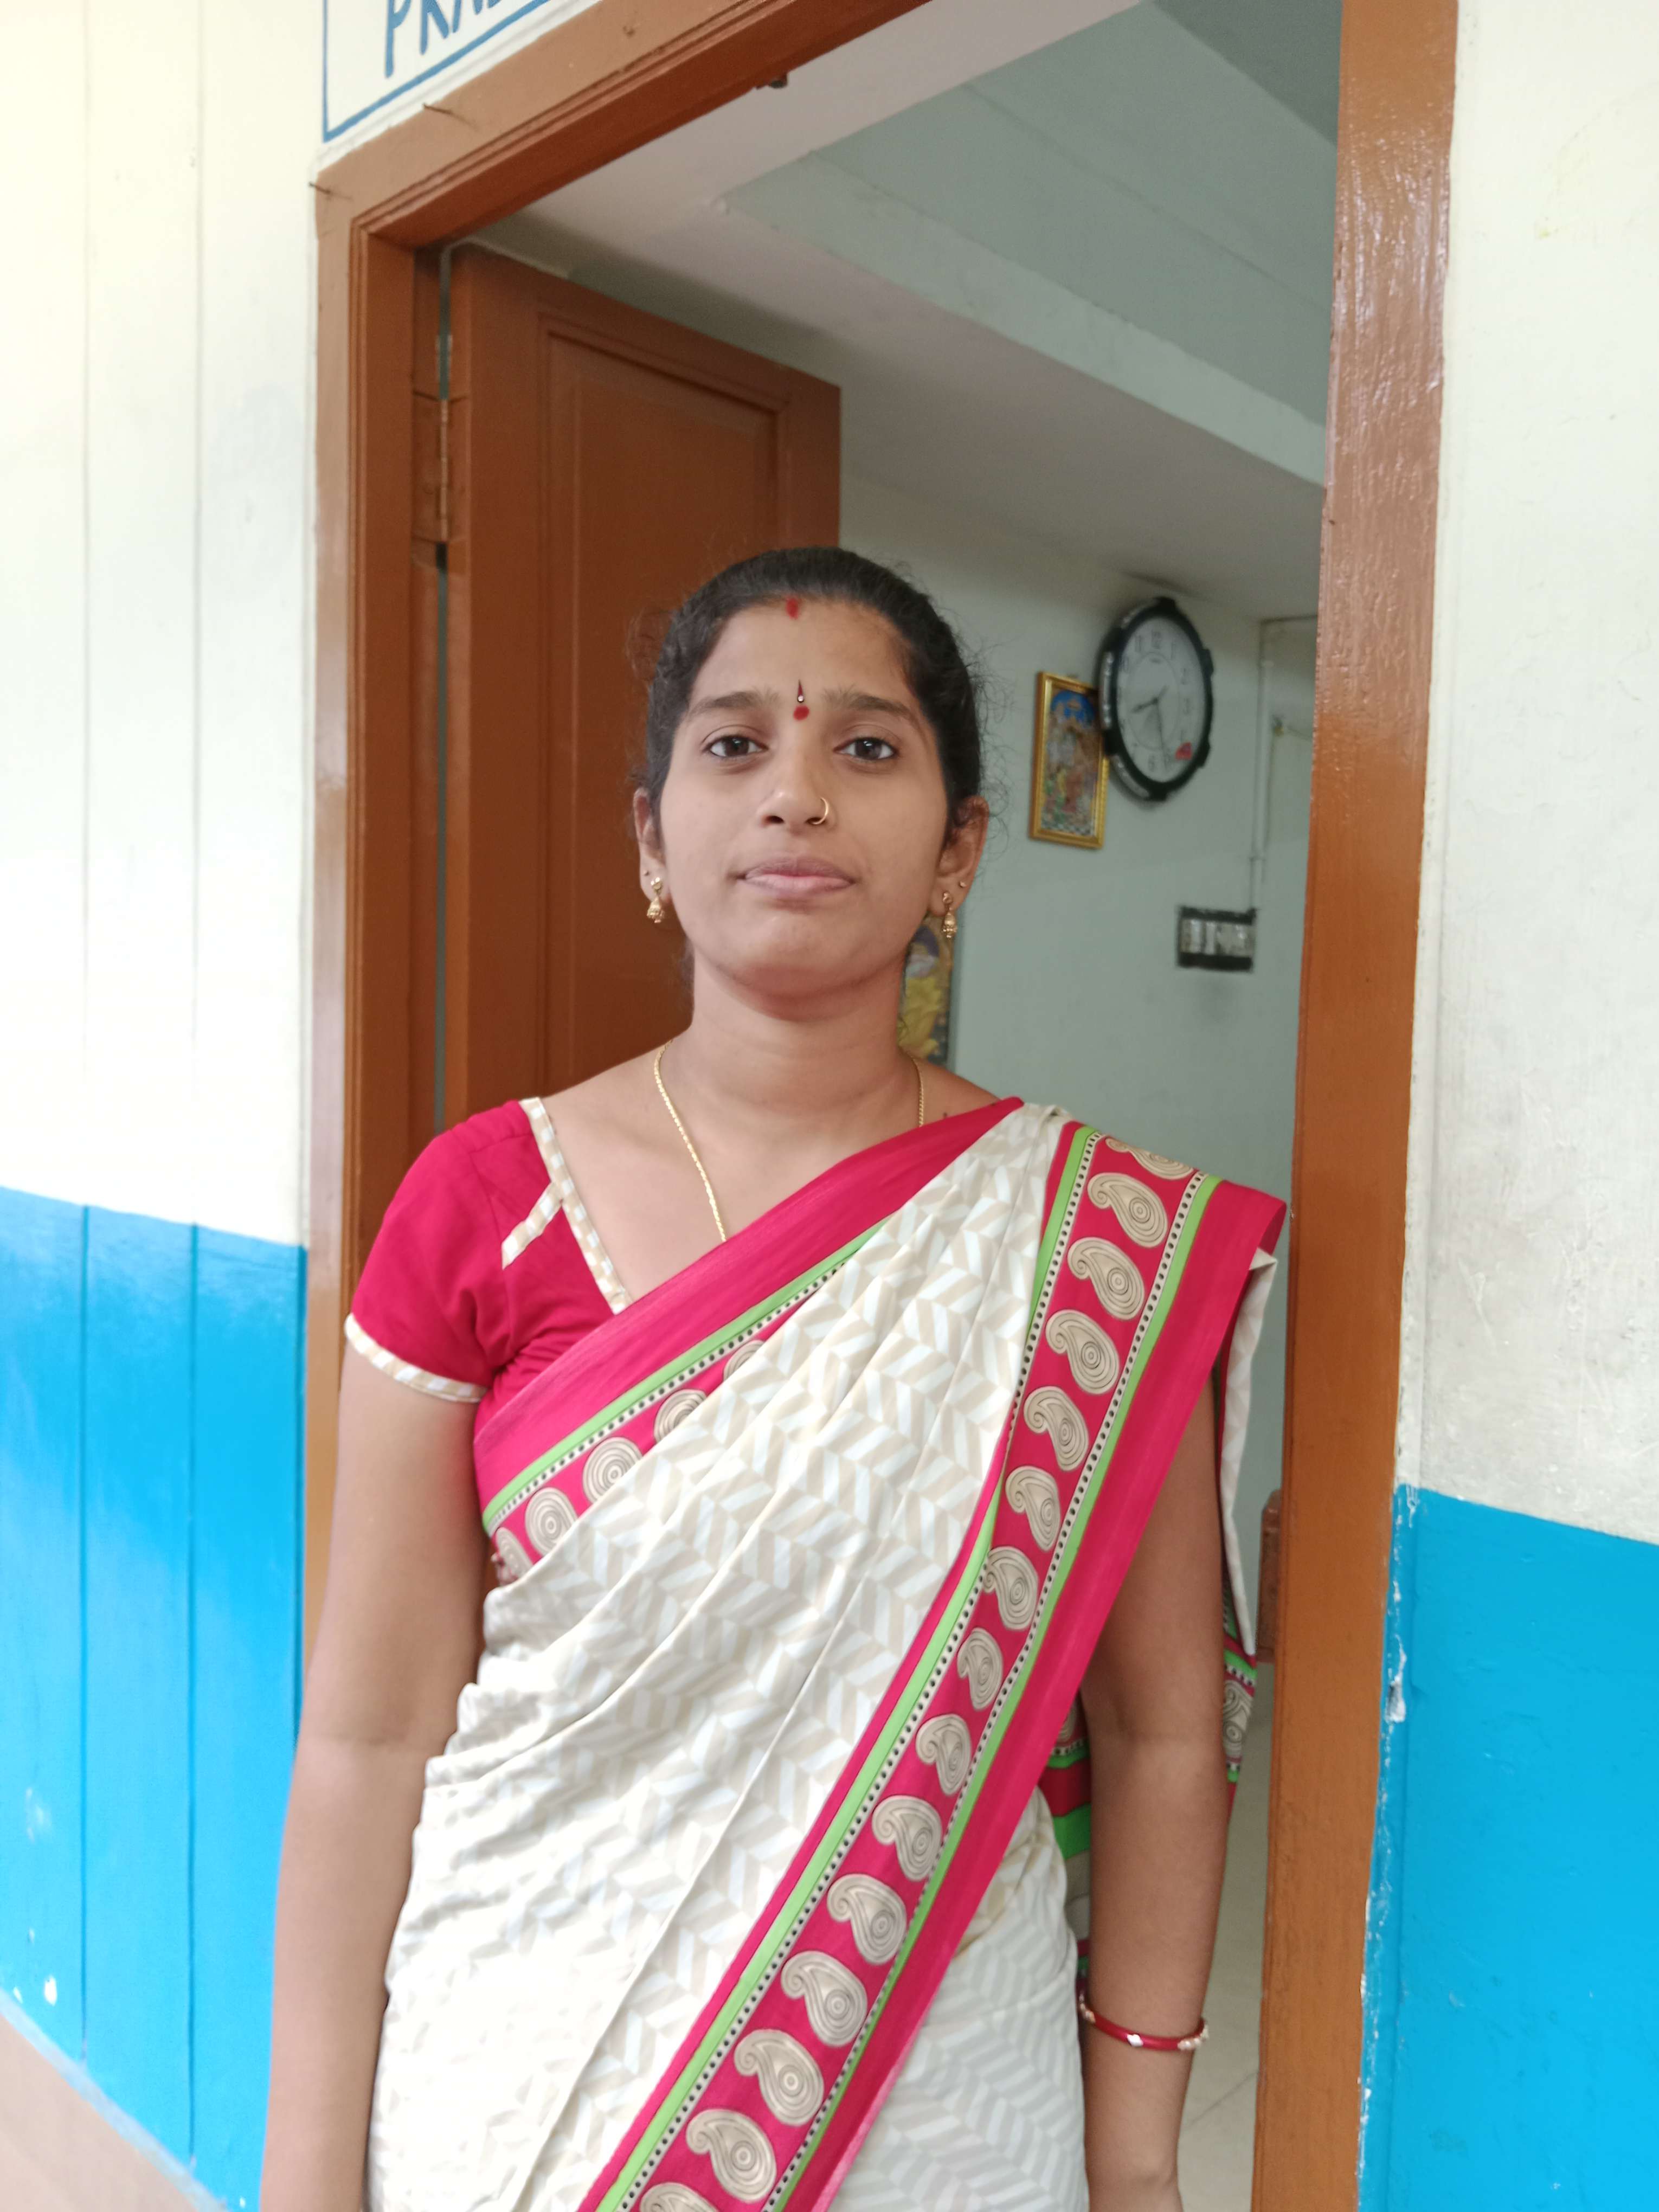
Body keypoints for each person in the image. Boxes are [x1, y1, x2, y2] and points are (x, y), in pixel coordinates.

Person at [263, 548, 1283, 2212]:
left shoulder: (1085, 1249)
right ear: (649, 836)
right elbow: (369, 1738)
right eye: (733, 744)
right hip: (519, 2081)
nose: (795, 791)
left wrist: (1136, 2164)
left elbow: (1164, 1732)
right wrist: (304, 2183)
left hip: (950, 2106)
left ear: (957, 849)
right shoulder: (484, 1201)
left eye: (866, 748)